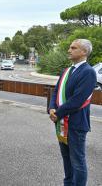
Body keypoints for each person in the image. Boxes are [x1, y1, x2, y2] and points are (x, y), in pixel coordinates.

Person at [48, 39, 96, 186]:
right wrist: (51, 108)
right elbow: (56, 91)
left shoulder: (88, 72)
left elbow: (78, 100)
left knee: (77, 161)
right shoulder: (67, 70)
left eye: (73, 48)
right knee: (66, 159)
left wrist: (58, 113)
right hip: (61, 122)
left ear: (84, 52)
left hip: (76, 124)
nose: (69, 50)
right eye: (69, 47)